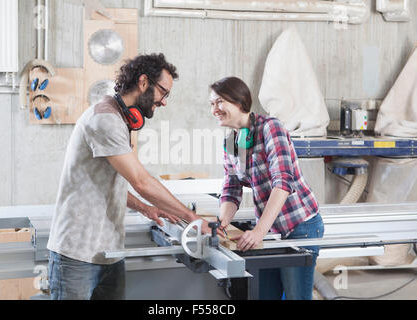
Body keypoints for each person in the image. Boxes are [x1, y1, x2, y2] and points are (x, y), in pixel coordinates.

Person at [47, 53, 218, 300]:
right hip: (77, 255)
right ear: (143, 82)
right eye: (163, 92)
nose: (164, 101)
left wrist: (145, 208)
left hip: (108, 253)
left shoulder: (119, 118)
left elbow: (107, 182)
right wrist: (191, 218)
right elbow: (141, 181)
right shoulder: (105, 118)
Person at [209, 76, 324, 300]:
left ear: (240, 102)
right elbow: (232, 187)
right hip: (271, 230)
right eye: (211, 104)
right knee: (264, 296)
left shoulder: (271, 128)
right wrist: (222, 224)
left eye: (220, 102)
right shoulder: (231, 140)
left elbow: (283, 182)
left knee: (294, 296)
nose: (214, 109)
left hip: (299, 226)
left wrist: (259, 231)